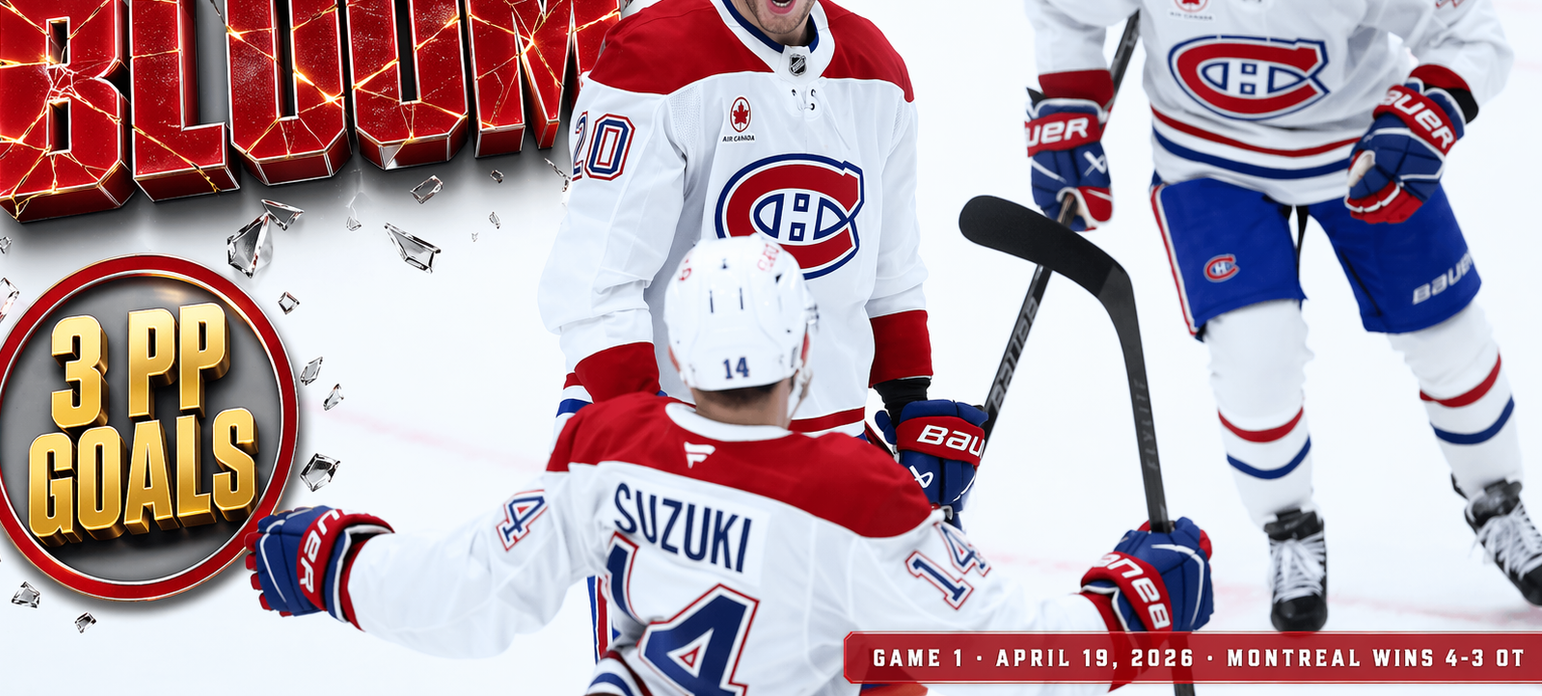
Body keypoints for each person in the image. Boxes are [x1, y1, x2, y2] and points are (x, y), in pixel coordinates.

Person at [245, 236, 1215, 695]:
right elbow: (1025, 646)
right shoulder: (855, 497)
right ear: (800, 351)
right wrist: (1141, 598)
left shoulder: (602, 442)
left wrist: (334, 564)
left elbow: (465, 593)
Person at [1019, 0, 1532, 632]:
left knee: (1451, 337)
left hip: (1356, 154)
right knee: (1254, 358)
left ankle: (1499, 503)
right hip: (1210, 163)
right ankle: (1290, 527)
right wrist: (1065, 111)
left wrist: (1428, 112)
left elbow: (1473, 31)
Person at [538, 0, 986, 650]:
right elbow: (592, 290)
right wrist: (663, 451)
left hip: (822, 447)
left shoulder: (878, 75)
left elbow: (887, 276)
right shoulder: (653, 62)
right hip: (669, 439)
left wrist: (912, 415)